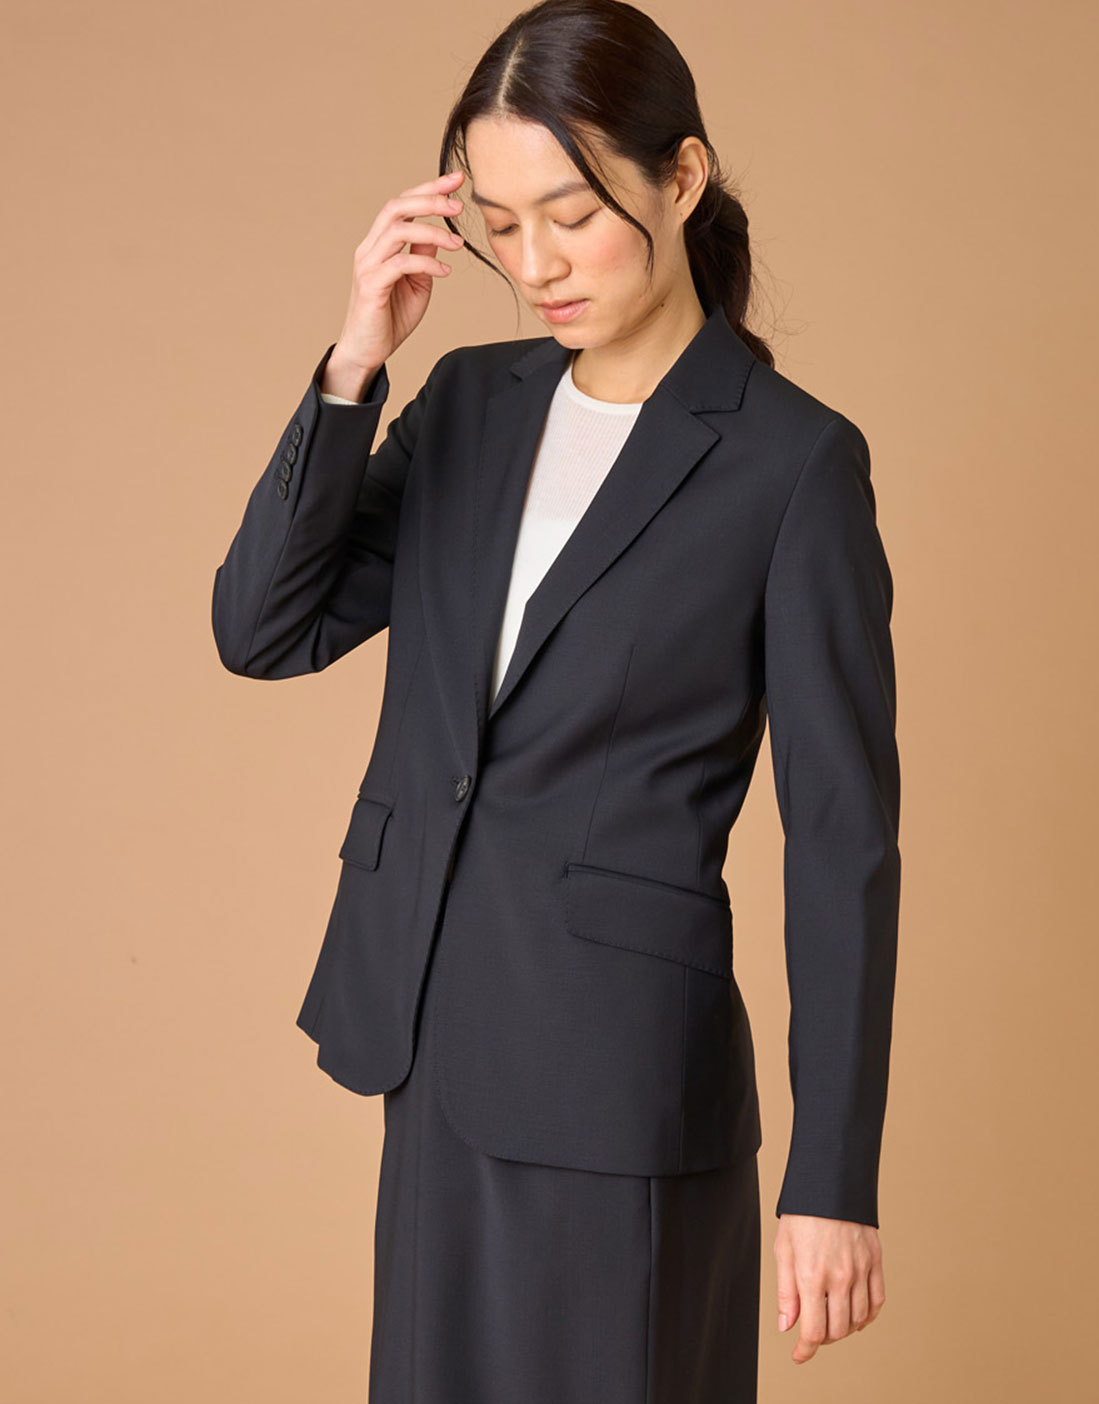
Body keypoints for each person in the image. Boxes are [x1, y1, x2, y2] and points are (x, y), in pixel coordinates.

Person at [211, 1, 900, 1398]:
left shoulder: (791, 466)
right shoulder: (467, 407)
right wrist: (355, 364)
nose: (535, 267)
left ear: (682, 178)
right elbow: (263, 629)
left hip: (624, 1085)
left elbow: (842, 843)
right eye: (500, 228)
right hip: (430, 1046)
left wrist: (833, 1179)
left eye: (572, 217)